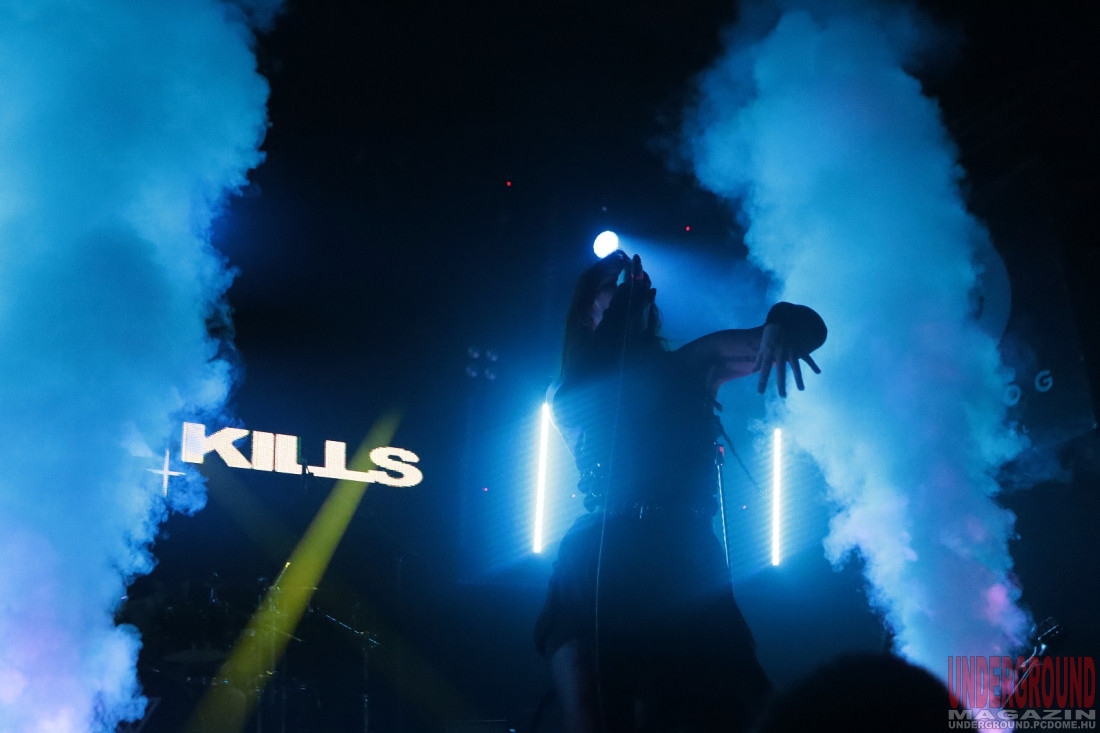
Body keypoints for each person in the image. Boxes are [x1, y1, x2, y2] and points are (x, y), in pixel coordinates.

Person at [534, 250, 827, 733]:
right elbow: (591, 385)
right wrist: (626, 304)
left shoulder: (690, 365)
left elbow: (808, 332)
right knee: (593, 707)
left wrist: (781, 321)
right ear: (586, 312)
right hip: (601, 554)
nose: (626, 292)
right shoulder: (569, 389)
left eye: (632, 287)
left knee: (740, 705)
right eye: (611, 288)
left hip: (683, 552)